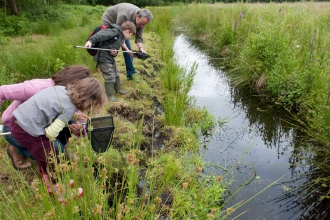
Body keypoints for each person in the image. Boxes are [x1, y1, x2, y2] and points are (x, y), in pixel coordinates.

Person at [8, 77, 107, 196]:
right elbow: (50, 133)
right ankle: (58, 190)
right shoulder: (70, 108)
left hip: (17, 121)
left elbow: (54, 109)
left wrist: (75, 117)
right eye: (91, 104)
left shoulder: (61, 90)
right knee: (52, 158)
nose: (88, 108)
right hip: (26, 130)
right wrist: (65, 122)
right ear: (87, 98)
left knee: (44, 156)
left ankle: (48, 181)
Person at [0, 65, 91, 170]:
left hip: (42, 126)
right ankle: (17, 149)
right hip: (16, 127)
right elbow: (1, 91)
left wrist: (79, 129)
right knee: (50, 151)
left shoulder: (73, 97)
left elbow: (77, 117)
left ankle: (56, 151)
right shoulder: (36, 87)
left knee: (69, 120)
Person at [85, 21, 136, 102]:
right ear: (127, 31)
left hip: (110, 58)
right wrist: (90, 41)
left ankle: (118, 89)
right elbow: (100, 35)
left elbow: (114, 48)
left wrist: (114, 53)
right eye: (131, 35)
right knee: (109, 75)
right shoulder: (114, 31)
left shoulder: (121, 37)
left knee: (116, 73)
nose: (130, 37)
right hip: (103, 58)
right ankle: (109, 95)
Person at [101, 3, 153, 81]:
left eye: (144, 25)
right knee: (113, 49)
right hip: (110, 21)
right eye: (142, 24)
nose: (142, 26)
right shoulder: (124, 15)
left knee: (128, 50)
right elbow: (119, 35)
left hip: (125, 28)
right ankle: (112, 76)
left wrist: (141, 48)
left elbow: (139, 37)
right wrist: (127, 50)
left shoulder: (142, 21)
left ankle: (131, 75)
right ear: (137, 16)